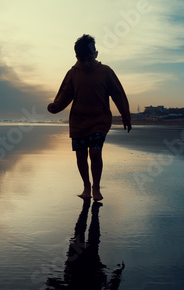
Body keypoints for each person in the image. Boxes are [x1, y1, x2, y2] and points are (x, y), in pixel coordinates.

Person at [47, 34, 132, 201]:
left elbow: (118, 94)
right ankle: (86, 185)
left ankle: (96, 187)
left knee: (95, 152)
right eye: (82, 59)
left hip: (99, 120)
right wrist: (56, 106)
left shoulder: (105, 72)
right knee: (80, 155)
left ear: (96, 54)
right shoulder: (73, 73)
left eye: (89, 58)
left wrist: (126, 116)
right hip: (78, 121)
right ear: (77, 57)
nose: (86, 63)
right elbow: (65, 94)